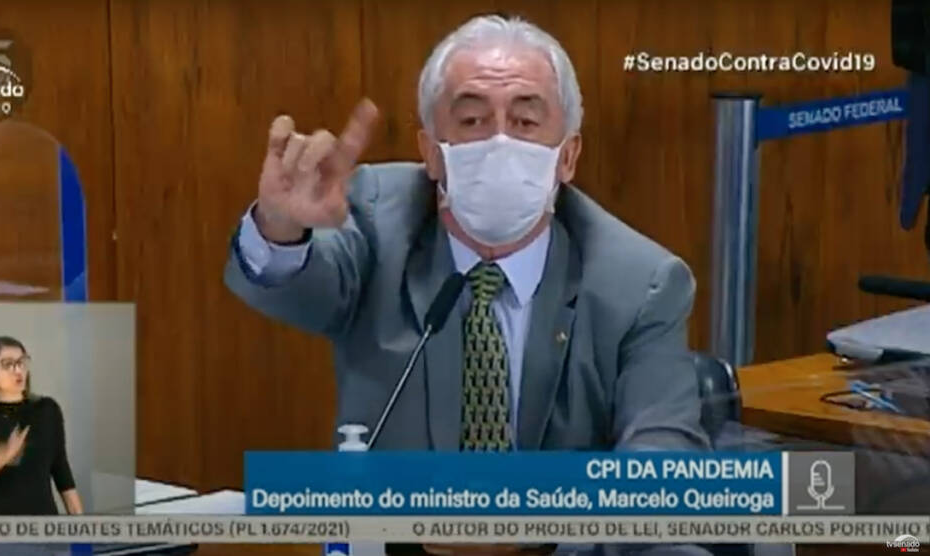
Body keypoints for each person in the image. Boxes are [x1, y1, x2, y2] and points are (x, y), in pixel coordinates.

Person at [225, 14, 712, 555]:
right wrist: (281, 226)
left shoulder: (640, 282)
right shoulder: (378, 219)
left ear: (568, 156)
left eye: (525, 121)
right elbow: (297, 287)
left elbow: (662, 467)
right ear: (431, 152)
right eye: (473, 120)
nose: (500, 142)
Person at [0, 336, 83, 516]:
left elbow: (61, 471)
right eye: (7, 364)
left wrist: (80, 523)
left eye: (21, 362)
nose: (18, 370)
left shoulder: (47, 410)